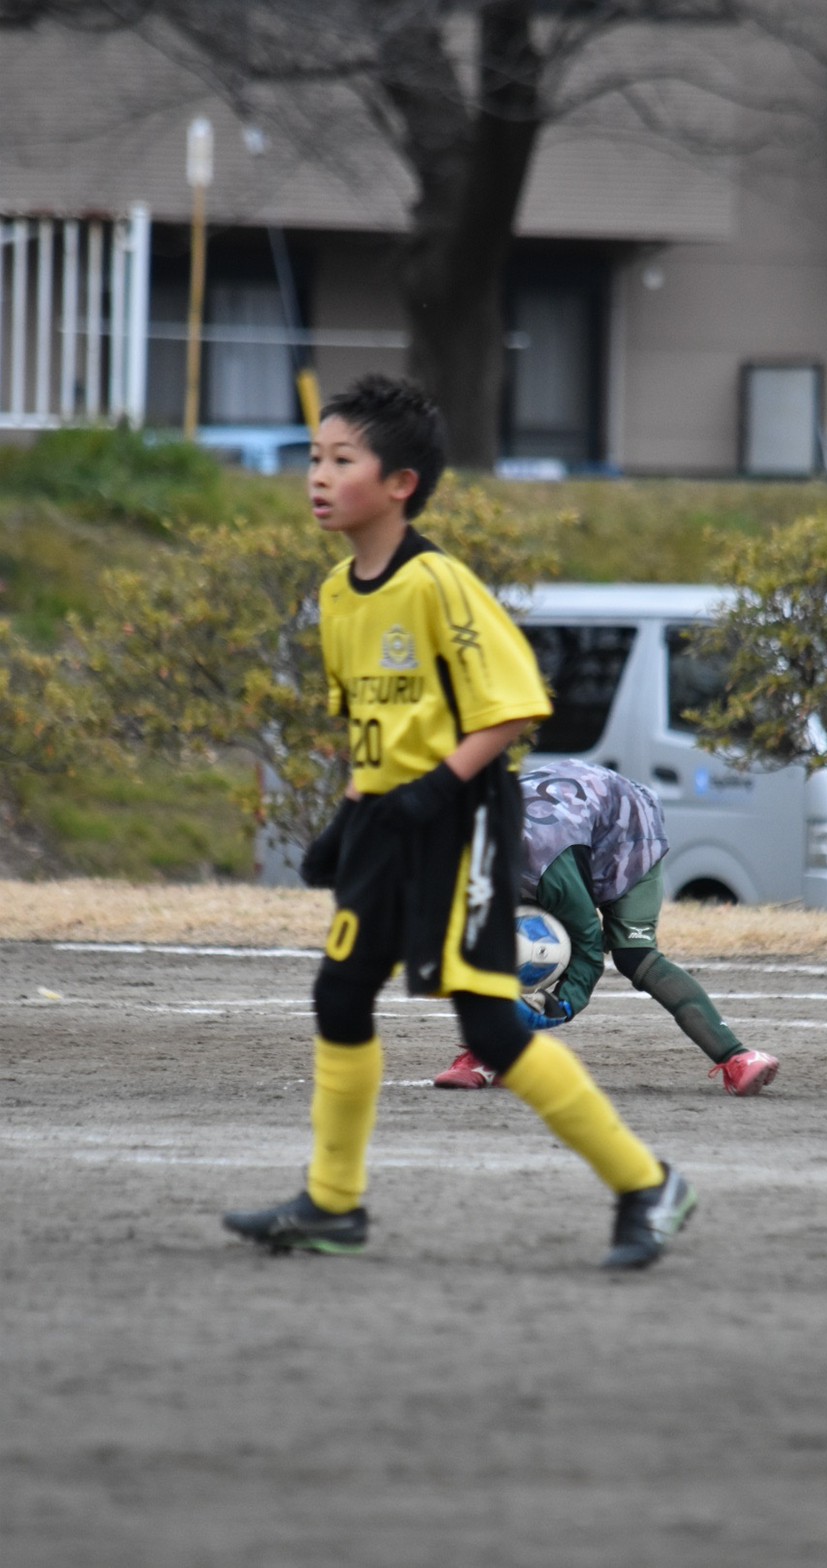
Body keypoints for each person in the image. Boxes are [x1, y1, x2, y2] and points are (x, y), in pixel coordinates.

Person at [222, 375, 696, 1270]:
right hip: (388, 821)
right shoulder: (336, 594)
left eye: (341, 460)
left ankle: (647, 1183)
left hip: (460, 822)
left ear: (400, 483)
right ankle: (332, 1206)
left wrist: (433, 793)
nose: (317, 476)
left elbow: (514, 709)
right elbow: (377, 731)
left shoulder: (439, 584)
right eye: (315, 458)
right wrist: (349, 819)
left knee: (489, 1028)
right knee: (339, 996)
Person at [434, 759, 780, 1096]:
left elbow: (588, 954)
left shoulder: (547, 870)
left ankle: (736, 1057)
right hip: (571, 825)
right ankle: (491, 1053)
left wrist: (557, 1007)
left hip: (628, 827)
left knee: (635, 957)